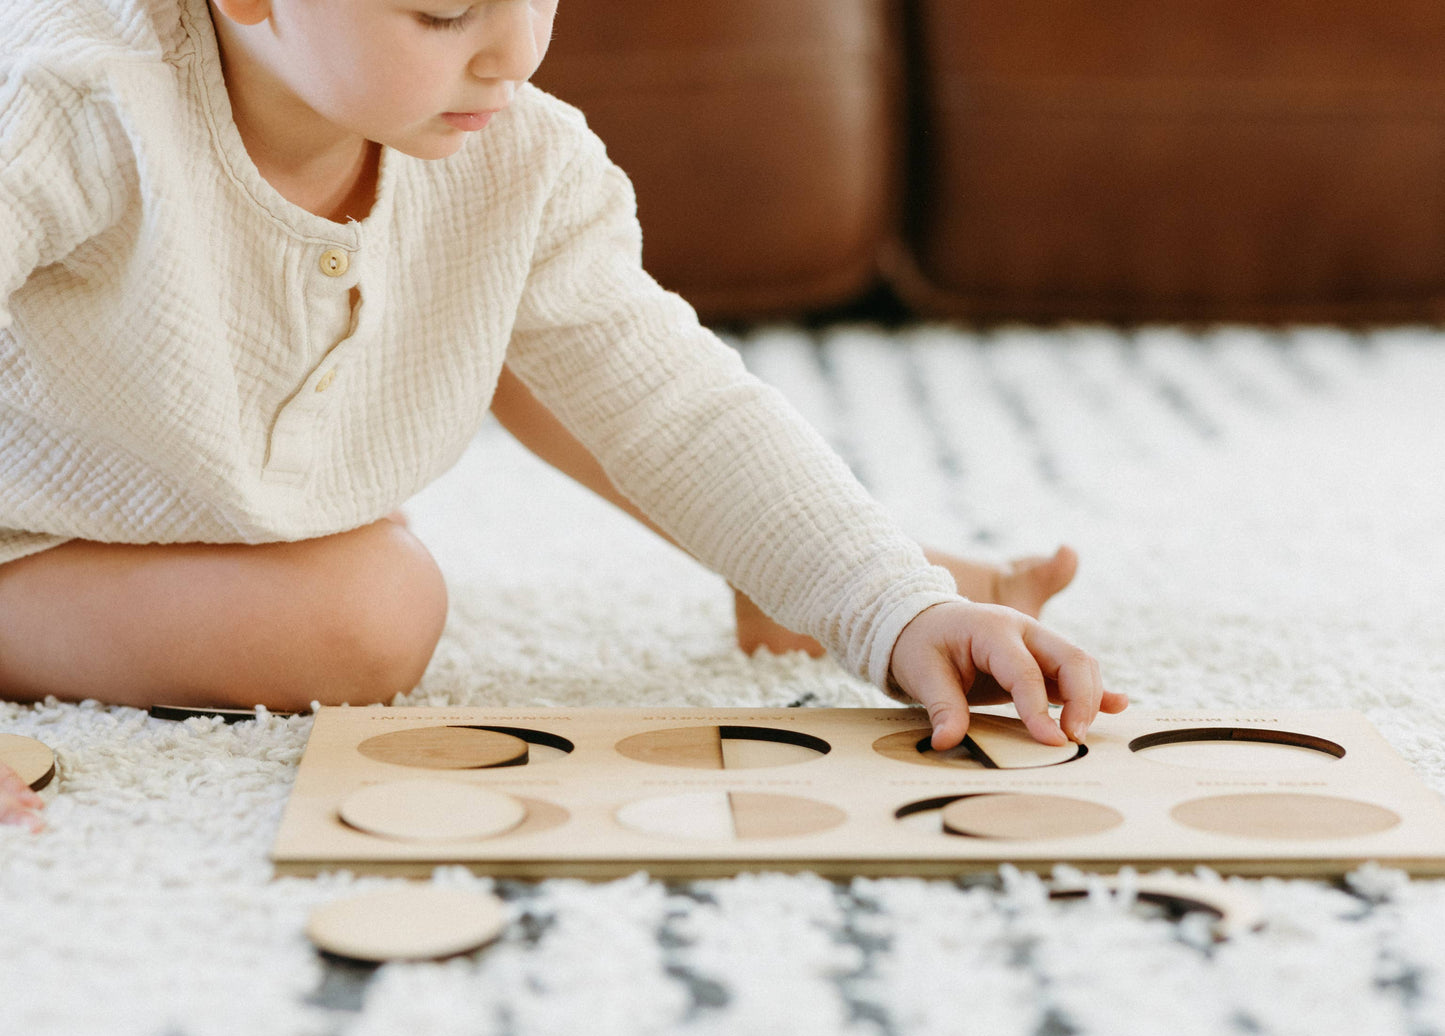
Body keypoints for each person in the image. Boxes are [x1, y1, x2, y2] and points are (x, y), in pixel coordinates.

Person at [0, 0, 1126, 831]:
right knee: (373, 610)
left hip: (207, 479)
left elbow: (673, 404)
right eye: (445, 11)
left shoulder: (510, 157)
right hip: (29, 517)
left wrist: (891, 604)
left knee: (538, 334)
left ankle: (783, 566)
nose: (514, 52)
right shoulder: (71, 98)